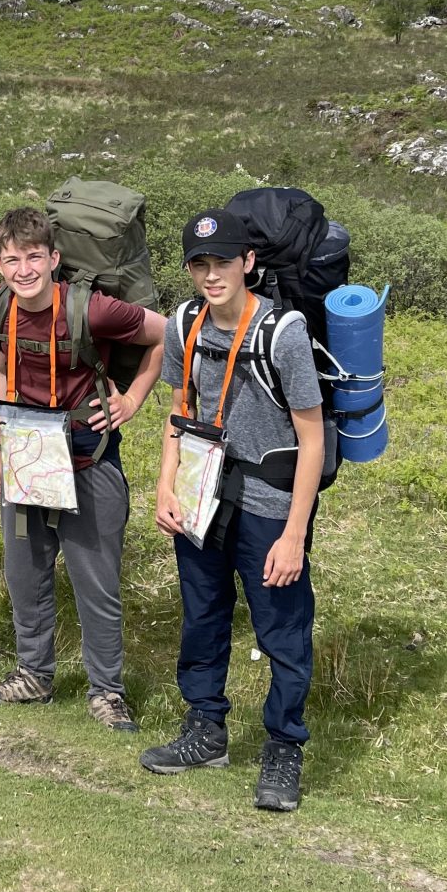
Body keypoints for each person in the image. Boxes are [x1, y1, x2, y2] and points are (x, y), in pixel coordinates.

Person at [139, 209, 326, 812]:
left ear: (248, 262)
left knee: (281, 628)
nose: (211, 275)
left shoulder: (282, 333)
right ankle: (206, 729)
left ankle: (284, 746)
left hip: (270, 502)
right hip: (201, 492)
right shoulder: (184, 323)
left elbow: (312, 440)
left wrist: (294, 534)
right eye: (199, 264)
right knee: (202, 614)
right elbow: (179, 410)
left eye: (222, 262)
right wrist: (165, 486)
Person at [0, 208, 166, 731]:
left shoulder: (92, 309)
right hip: (26, 457)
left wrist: (132, 399)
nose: (24, 270)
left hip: (88, 457)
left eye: (34, 257)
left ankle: (107, 692)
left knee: (95, 582)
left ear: (54, 258)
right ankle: (33, 676)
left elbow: (166, 335)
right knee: (25, 573)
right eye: (12, 260)